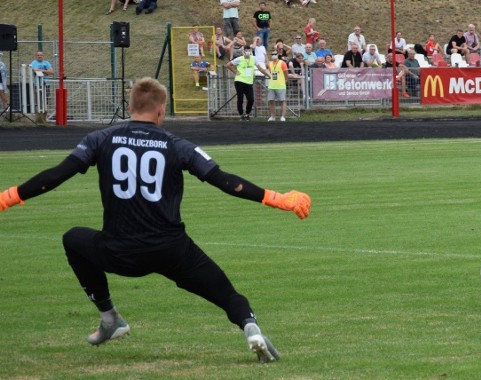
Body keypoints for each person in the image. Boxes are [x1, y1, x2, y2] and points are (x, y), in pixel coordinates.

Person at [0, 77, 310, 362]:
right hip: (172, 251)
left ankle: (110, 317)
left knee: (73, 239)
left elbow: (56, 175)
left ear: (132, 106)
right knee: (226, 294)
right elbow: (224, 180)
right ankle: (250, 327)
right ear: (161, 111)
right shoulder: (176, 145)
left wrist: (8, 197)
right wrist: (276, 198)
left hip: (118, 252)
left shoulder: (100, 138)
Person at [225, 47, 271, 121]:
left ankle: (247, 114)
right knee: (240, 98)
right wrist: (235, 71)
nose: (248, 52)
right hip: (239, 81)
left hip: (249, 82)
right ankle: (241, 114)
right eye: (246, 51)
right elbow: (228, 65)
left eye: (249, 50)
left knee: (251, 99)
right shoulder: (239, 59)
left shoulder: (254, 58)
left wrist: (268, 75)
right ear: (243, 51)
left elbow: (260, 68)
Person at [266, 52, 288, 122]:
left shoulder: (282, 63)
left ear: (278, 55)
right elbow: (271, 72)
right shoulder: (269, 64)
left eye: (275, 54)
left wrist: (286, 80)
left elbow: (286, 72)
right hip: (272, 85)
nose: (273, 55)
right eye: (272, 54)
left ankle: (282, 116)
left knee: (282, 101)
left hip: (281, 85)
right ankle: (273, 116)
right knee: (271, 101)